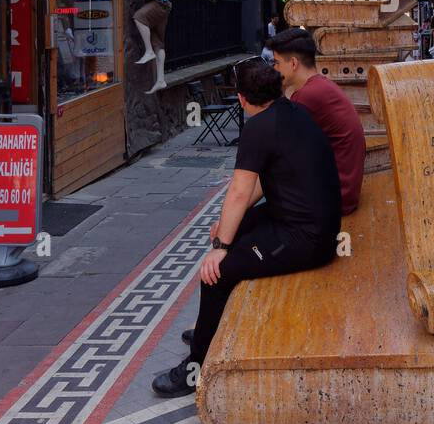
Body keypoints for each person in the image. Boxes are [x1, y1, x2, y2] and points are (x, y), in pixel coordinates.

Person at [153, 57, 341, 398]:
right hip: (312, 222)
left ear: (241, 98)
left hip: (306, 239)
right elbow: (262, 185)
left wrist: (221, 250)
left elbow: (240, 191)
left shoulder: (258, 127)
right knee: (229, 231)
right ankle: (212, 328)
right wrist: (226, 229)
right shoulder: (294, 112)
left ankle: (196, 366)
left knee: (216, 273)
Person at [266, 27, 366, 215]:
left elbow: (278, 149)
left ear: (293, 63)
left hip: (333, 199)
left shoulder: (307, 95)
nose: (274, 69)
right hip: (342, 190)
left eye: (277, 63)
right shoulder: (321, 85)